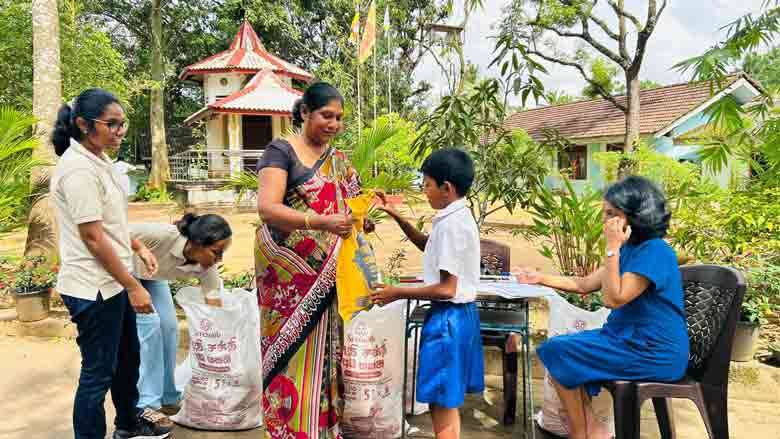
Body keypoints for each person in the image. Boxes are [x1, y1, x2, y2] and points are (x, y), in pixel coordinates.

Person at [514, 176, 689, 439]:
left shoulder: (655, 251)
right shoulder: (630, 249)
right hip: (626, 341)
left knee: (559, 352)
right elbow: (584, 284)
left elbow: (613, 299)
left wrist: (612, 248)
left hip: (652, 351)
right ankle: (591, 430)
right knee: (558, 350)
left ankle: (583, 433)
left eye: (611, 214)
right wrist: (538, 278)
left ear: (636, 215)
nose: (605, 221)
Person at [50, 88, 172, 439]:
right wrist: (134, 286)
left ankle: (128, 425)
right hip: (92, 288)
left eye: (122, 123)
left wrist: (137, 245)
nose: (120, 131)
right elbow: (92, 237)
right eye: (112, 124)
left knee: (128, 358)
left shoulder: (99, 160)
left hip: (112, 281)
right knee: (98, 373)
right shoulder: (77, 170)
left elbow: (109, 223)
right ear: (83, 125)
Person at [255, 82, 373, 439]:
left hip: (329, 272)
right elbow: (267, 209)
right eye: (326, 115)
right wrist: (320, 222)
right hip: (287, 276)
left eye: (339, 118)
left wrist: (361, 219)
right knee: (289, 352)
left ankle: (322, 428)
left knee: (327, 351)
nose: (334, 124)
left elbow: (351, 203)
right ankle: (288, 430)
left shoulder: (339, 161)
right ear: (305, 112)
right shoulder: (281, 151)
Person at [371, 148, 485, 439]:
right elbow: (428, 246)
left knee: (441, 402)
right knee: (445, 400)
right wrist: (396, 215)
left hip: (448, 320)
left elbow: (447, 289)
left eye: (427, 185)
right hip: (461, 318)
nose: (424, 190)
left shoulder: (450, 226)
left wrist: (397, 292)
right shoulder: (457, 217)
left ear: (446, 188)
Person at [129, 213, 233, 425]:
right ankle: (147, 404)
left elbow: (213, 301)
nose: (219, 259)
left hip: (152, 277)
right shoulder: (162, 235)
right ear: (197, 243)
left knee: (169, 328)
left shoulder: (207, 266)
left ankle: (168, 396)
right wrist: (139, 251)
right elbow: (116, 233)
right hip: (125, 273)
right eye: (216, 252)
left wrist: (219, 340)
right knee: (150, 328)